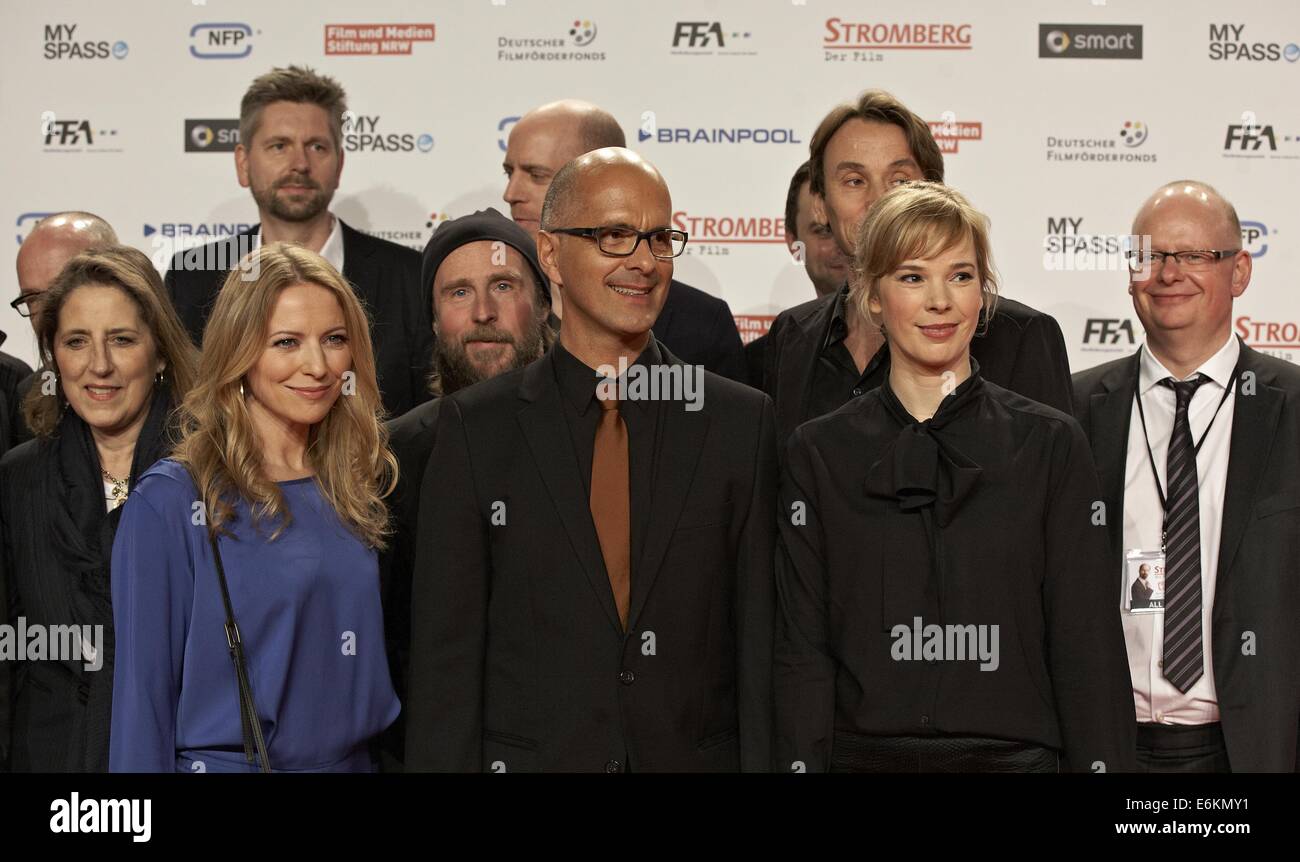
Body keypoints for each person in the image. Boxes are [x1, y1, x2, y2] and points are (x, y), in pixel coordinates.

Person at [406, 148, 776, 772]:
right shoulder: (477, 431)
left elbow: (761, 653)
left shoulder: (739, 423)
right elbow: (447, 668)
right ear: (549, 253)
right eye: (614, 236)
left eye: (660, 238)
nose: (644, 261)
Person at [775, 182, 1134, 773]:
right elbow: (801, 655)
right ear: (871, 296)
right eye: (912, 277)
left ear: (983, 293)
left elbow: (1086, 646)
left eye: (961, 276)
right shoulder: (819, 452)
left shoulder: (1050, 445)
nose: (940, 300)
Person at [109, 242, 400, 772]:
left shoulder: (354, 485)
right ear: (239, 354)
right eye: (286, 342)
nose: (317, 365)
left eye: (334, 340)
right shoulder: (172, 501)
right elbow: (141, 709)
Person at [1072, 180, 1300, 773]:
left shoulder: (1294, 408)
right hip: (1104, 746)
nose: (1168, 273)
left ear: (1241, 271)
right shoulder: (1070, 411)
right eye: (1150, 256)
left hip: (1253, 749)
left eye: (1195, 255)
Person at [762, 90, 1073, 447]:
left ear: (934, 192)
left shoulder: (1020, 335)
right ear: (819, 203)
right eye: (854, 181)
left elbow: (1050, 478)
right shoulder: (793, 334)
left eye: (900, 181)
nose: (879, 200)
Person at [0, 246, 198, 772]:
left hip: (179, 755)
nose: (99, 365)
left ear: (159, 352)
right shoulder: (19, 478)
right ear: (53, 355)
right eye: (76, 342)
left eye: (122, 339)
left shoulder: (215, 475)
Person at [378, 208, 552, 768]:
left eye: (504, 286)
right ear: (432, 320)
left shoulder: (596, 436)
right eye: (458, 293)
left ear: (546, 306)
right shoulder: (392, 458)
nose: (483, 312)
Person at [162, 65, 433, 418]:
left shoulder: (409, 276)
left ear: (339, 163)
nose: (299, 164)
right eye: (279, 146)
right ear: (243, 164)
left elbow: (428, 417)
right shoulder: (193, 276)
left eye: (317, 146)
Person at [503, 99, 749, 382]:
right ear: (549, 252)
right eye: (509, 172)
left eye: (536, 175)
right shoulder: (494, 311)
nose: (511, 193)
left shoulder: (700, 324)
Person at [9, 212, 118, 447]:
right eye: (32, 298)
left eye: (60, 290)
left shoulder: (191, 388)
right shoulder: (29, 394)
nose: (47, 311)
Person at [747, 160, 851, 388]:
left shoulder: (929, 346)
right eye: (824, 231)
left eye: (853, 227)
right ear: (793, 242)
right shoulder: (759, 364)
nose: (843, 243)